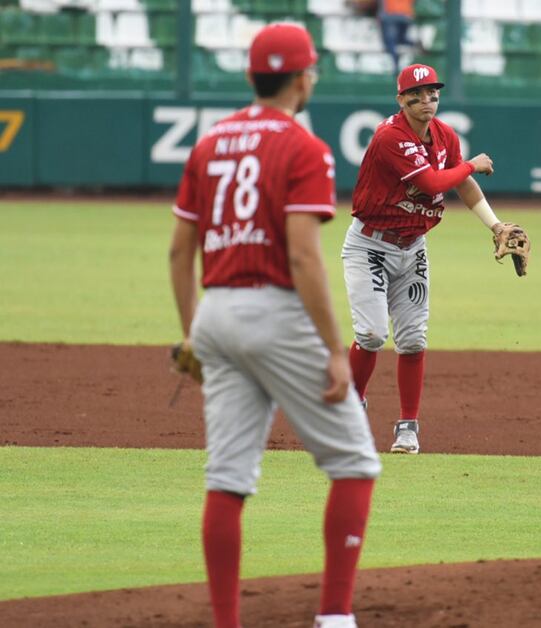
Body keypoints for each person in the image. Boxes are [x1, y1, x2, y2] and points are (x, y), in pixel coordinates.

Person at [169, 23, 381, 628]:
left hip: (215, 313)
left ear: (250, 76)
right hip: (275, 312)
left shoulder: (209, 143)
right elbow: (303, 256)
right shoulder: (303, 147)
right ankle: (335, 617)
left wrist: (191, 336)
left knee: (228, 477)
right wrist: (336, 350)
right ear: (301, 77)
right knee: (355, 465)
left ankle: (226, 622)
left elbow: (179, 251)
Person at [342, 63, 519, 455]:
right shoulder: (391, 137)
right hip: (369, 246)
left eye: (432, 93)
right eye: (416, 94)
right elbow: (432, 182)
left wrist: (495, 225)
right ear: (401, 100)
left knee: (413, 340)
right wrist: (471, 163)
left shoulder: (444, 135)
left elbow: (463, 184)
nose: (426, 100)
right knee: (371, 335)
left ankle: (408, 427)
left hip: (412, 247)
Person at [377, 0, 415, 74]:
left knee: (390, 42)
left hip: (390, 14)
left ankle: (395, 65)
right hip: (406, 15)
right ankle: (414, 44)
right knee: (401, 39)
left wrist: (381, 15)